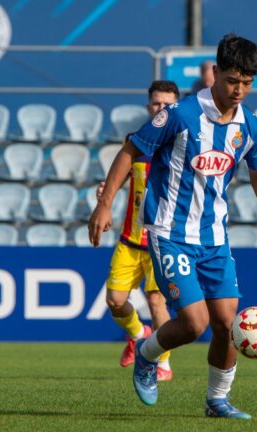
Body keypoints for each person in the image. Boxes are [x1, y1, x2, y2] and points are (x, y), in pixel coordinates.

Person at [89, 34, 257, 419]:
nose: (240, 90)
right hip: (170, 233)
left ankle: (217, 401)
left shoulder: (248, 126)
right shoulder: (181, 115)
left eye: (248, 83)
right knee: (194, 322)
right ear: (215, 74)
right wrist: (105, 205)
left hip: (215, 239)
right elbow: (130, 151)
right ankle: (148, 356)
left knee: (225, 324)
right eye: (233, 80)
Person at [99, 80, 179, 381]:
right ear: (149, 107)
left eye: (167, 104)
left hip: (161, 241)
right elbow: (122, 173)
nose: (161, 109)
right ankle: (137, 333)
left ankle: (163, 364)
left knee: (157, 301)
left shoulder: (181, 144)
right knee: (115, 302)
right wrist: (106, 192)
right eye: (156, 104)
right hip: (131, 239)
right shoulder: (135, 140)